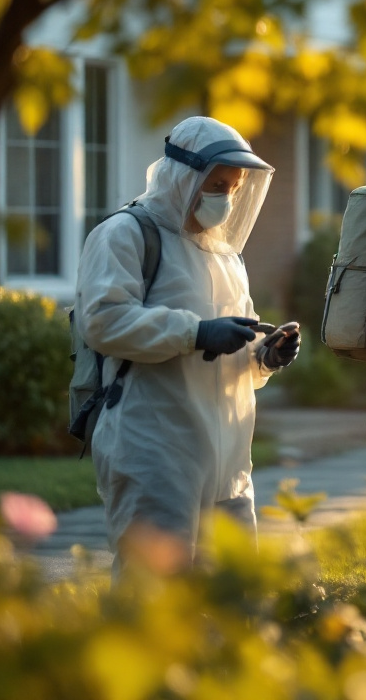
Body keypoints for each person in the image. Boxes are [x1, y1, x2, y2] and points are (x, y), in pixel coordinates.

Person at [76, 116, 298, 576]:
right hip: (154, 450)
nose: (226, 198)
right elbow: (103, 321)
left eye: (233, 188)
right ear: (182, 175)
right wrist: (194, 333)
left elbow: (232, 344)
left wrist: (264, 356)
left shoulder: (225, 255)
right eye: (216, 185)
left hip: (228, 458)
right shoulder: (126, 234)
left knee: (234, 592)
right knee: (153, 594)